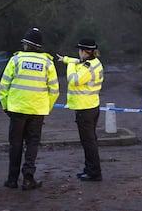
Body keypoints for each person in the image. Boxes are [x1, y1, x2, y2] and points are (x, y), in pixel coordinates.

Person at [0, 28, 59, 190]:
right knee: (32, 143)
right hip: (37, 111)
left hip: (17, 110)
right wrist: (46, 107)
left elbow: (3, 86)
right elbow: (54, 90)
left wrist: (5, 106)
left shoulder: (15, 61)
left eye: (24, 43)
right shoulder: (47, 63)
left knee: (15, 144)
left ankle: (12, 180)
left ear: (27, 44)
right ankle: (28, 178)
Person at [57, 38, 103, 181]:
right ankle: (90, 169)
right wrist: (66, 59)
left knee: (88, 142)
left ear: (85, 52)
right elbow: (78, 62)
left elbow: (74, 80)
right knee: (90, 141)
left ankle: (93, 172)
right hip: (91, 106)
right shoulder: (94, 63)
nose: (78, 54)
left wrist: (69, 64)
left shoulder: (87, 68)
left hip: (85, 108)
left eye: (80, 51)